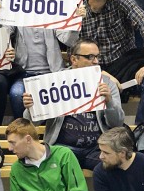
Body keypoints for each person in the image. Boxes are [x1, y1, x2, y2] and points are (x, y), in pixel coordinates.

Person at [20, 38, 124, 170]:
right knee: (54, 168)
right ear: (74, 59)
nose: (96, 61)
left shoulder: (107, 83)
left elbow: (117, 123)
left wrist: (109, 102)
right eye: (90, 57)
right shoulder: (55, 81)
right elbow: (31, 123)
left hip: (97, 149)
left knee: (115, 166)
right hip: (62, 148)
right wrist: (31, 108)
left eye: (97, 56)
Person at [81, 0, 144, 125]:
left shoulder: (120, 0)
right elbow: (77, 55)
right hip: (96, 71)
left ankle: (141, 129)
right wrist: (104, 75)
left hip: (127, 64)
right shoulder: (80, 13)